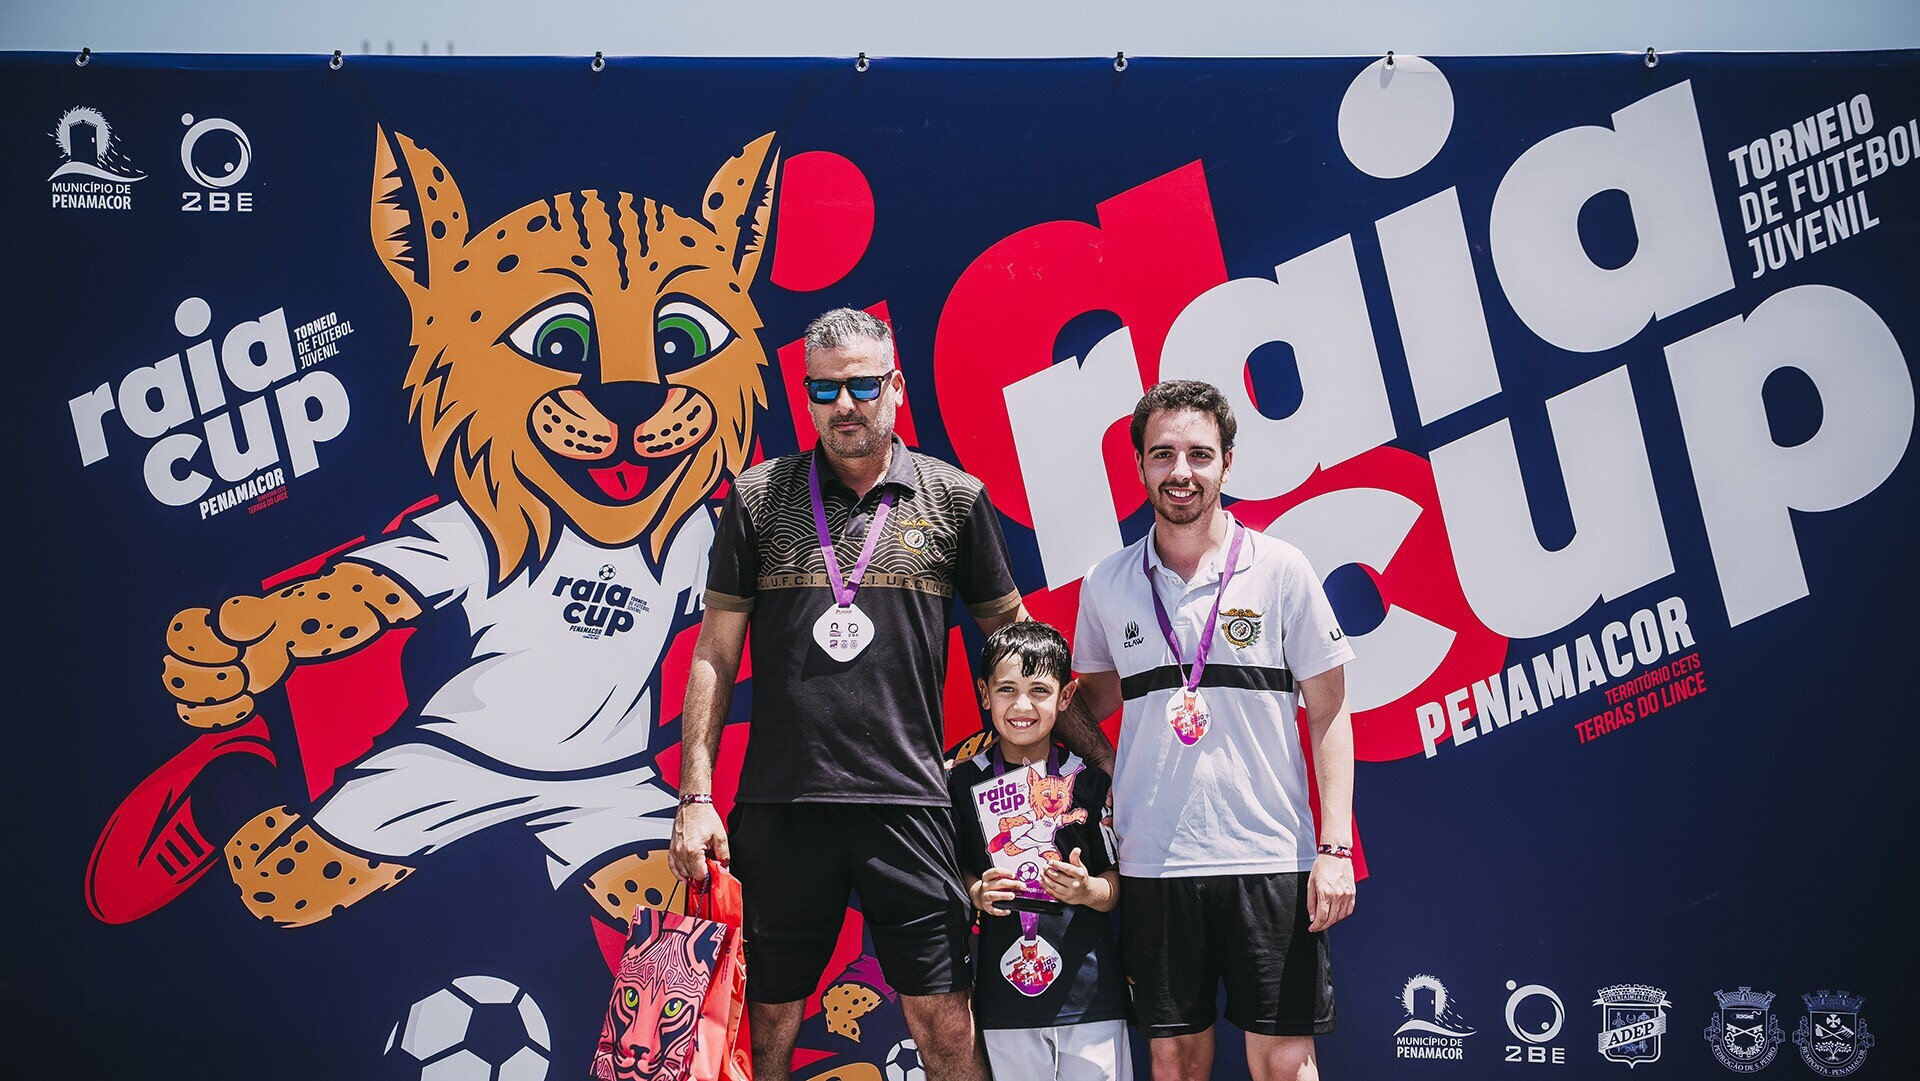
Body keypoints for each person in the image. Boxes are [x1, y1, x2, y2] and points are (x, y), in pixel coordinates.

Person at [668, 308, 1103, 1081]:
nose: (845, 404)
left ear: (896, 387)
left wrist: (1106, 766)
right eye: (825, 389)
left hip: (910, 802)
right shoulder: (758, 496)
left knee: (946, 1024)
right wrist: (695, 797)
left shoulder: (954, 498)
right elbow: (714, 653)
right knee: (763, 1029)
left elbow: (1021, 645)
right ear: (806, 396)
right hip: (783, 805)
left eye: (863, 385)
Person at [1067, 380, 1357, 1081]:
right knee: (1173, 1060)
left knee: (1286, 1061)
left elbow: (1329, 710)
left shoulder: (1281, 568)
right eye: (1162, 454)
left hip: (1270, 855)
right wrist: (1054, 717)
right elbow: (1088, 699)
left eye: (1199, 454)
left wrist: (1335, 847)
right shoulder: (1106, 582)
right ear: (1139, 465)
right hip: (1154, 861)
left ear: (1228, 461)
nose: (1181, 472)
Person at [949, 621, 1132, 1081]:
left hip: (1090, 995)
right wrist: (976, 891)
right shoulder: (961, 782)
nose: (1022, 706)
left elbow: (1117, 886)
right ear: (984, 694)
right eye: (1007, 689)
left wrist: (1088, 890)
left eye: (1039, 690)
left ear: (1066, 697)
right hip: (1004, 998)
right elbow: (957, 868)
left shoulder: (1090, 781)